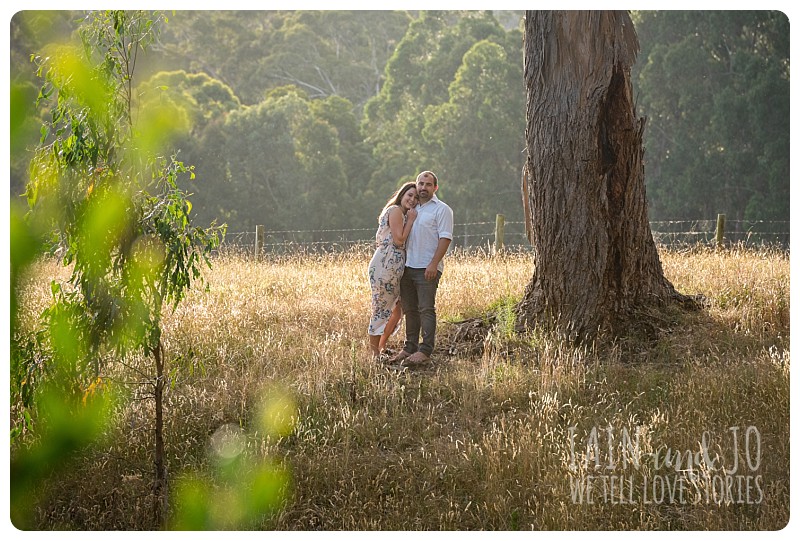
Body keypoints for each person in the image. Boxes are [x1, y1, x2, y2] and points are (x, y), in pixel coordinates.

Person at [388, 171, 453, 367]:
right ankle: (409, 347)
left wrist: (434, 264)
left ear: (435, 188)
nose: (423, 188)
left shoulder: (442, 210)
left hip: (427, 268)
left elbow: (445, 238)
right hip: (407, 267)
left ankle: (425, 350)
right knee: (410, 310)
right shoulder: (411, 208)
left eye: (428, 184)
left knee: (426, 309)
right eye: (420, 184)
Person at [368, 182, 418, 358]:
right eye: (409, 195)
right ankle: (373, 353)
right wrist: (411, 220)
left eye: (416, 197)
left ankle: (381, 347)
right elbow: (398, 240)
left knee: (398, 309)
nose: (412, 200)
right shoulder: (396, 211)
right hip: (385, 264)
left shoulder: (402, 214)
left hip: (394, 266)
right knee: (381, 308)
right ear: (402, 194)